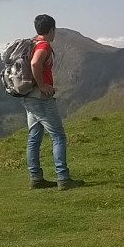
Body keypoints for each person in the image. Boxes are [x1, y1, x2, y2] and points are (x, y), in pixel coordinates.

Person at [22, 14, 83, 190]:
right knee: (58, 136)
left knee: (34, 137)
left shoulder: (30, 43)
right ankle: (63, 178)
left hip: (28, 97)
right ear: (52, 29)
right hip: (41, 98)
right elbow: (35, 63)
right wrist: (42, 85)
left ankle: (36, 178)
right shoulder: (43, 45)